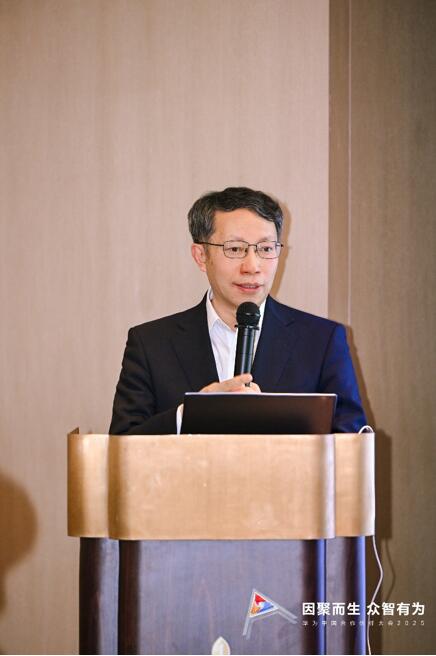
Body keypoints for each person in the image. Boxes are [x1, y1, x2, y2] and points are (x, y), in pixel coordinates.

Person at [109, 187, 366, 435]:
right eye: (234, 249)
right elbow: (122, 446)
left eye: (266, 249)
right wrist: (188, 415)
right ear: (201, 255)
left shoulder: (321, 341)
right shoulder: (150, 344)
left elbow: (352, 443)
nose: (252, 266)